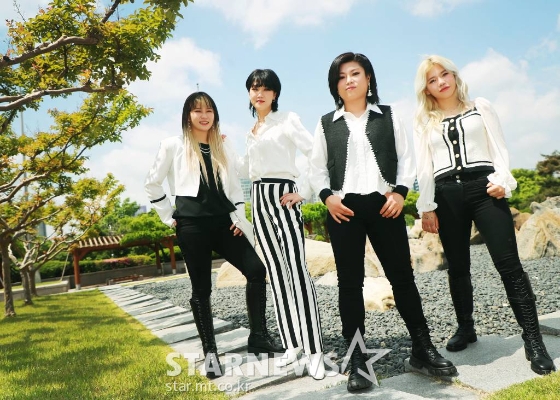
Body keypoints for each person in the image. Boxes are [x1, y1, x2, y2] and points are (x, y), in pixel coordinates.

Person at [309, 52, 457, 391]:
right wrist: (327, 197)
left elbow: (406, 159)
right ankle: (358, 361)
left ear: (368, 79)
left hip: (385, 206)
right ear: (335, 85)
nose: (349, 80)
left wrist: (401, 193)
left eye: (355, 73)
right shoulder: (325, 123)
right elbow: (315, 169)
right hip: (343, 209)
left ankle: (422, 349)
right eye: (341, 76)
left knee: (402, 279)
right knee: (349, 285)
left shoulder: (389, 116)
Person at [413, 55, 556, 375]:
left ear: (454, 75)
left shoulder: (480, 106)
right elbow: (424, 167)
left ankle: (533, 340)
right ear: (427, 89)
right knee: (457, 267)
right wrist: (427, 205)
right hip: (446, 195)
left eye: (444, 74)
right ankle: (466, 328)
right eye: (432, 80)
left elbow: (499, 148)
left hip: (485, 189)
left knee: (509, 265)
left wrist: (503, 180)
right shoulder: (424, 121)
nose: (441, 82)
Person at [145, 91, 284, 379]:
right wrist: (169, 216)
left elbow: (236, 183)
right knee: (201, 290)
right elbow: (152, 183)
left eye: (209, 110)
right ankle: (211, 354)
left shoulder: (222, 144)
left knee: (256, 270)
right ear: (188, 115)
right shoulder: (173, 145)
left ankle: (258, 337)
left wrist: (238, 218)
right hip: (192, 227)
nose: (204, 115)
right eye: (197, 111)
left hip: (224, 224)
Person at [237, 69, 325, 380]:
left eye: (265, 88)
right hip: (258, 200)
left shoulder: (287, 119)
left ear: (275, 93)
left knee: (296, 272)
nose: (259, 93)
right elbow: (246, 170)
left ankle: (314, 350)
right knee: (275, 274)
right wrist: (224, 150)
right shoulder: (252, 130)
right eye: (254, 88)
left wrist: (305, 191)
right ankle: (292, 344)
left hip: (283, 195)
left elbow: (315, 152)